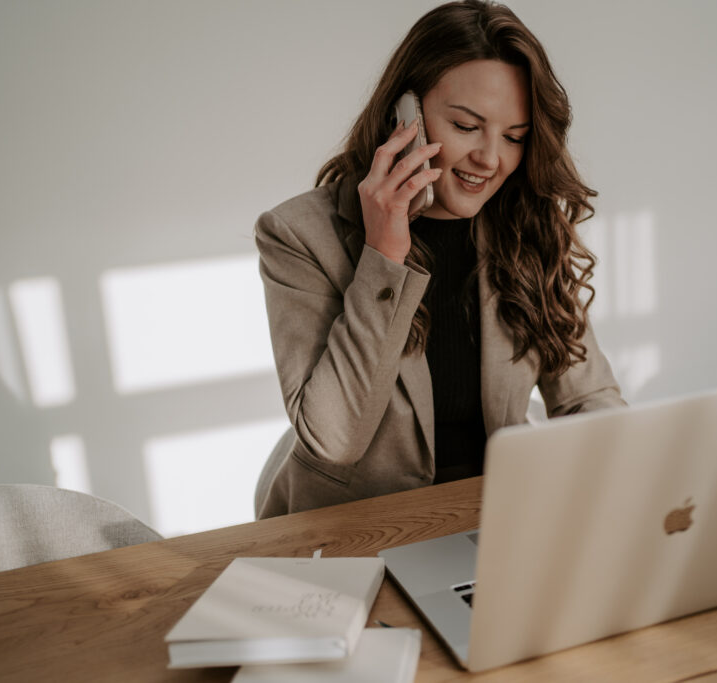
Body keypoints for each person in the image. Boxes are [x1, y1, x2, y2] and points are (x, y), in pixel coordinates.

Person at [254, 0, 625, 519]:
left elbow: (588, 401)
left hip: (491, 520)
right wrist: (384, 254)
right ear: (404, 115)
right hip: (351, 533)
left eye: (514, 137)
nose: (491, 159)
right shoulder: (298, 235)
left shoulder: (524, 224)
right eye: (467, 126)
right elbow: (334, 440)